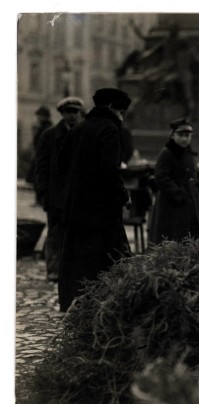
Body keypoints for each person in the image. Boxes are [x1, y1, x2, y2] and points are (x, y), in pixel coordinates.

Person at [57, 88, 133, 312]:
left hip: (75, 208)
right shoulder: (110, 129)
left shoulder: (79, 127)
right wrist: (122, 194)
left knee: (78, 258)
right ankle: (102, 306)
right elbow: (110, 171)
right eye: (121, 111)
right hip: (100, 211)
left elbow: (62, 163)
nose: (122, 116)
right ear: (110, 108)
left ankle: (74, 303)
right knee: (104, 258)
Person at [34, 96, 84, 282]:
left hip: (76, 195)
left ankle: (71, 270)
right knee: (55, 233)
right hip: (55, 194)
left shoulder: (83, 135)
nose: (71, 116)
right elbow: (41, 166)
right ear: (62, 114)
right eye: (68, 112)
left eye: (75, 112)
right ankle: (54, 270)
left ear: (79, 113)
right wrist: (43, 192)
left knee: (75, 234)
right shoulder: (49, 136)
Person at [148, 118, 199, 244]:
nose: (184, 139)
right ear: (173, 135)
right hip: (173, 205)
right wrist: (179, 195)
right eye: (180, 135)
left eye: (187, 135)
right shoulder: (167, 153)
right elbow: (161, 177)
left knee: (191, 237)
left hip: (190, 202)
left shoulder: (188, 152)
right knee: (174, 237)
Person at [26, 105, 53, 200]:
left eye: (40, 115)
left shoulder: (46, 127)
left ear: (45, 116)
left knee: (40, 178)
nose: (38, 118)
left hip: (43, 156)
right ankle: (39, 199)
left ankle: (40, 199)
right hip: (39, 155)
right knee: (37, 178)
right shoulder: (42, 127)